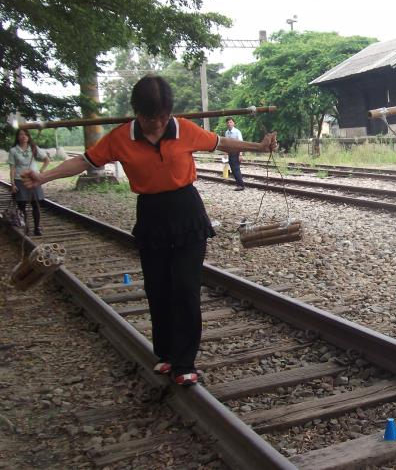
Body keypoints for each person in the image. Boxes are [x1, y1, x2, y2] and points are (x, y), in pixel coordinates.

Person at [21, 75, 278, 385]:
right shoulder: (119, 137)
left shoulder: (184, 128)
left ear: (168, 112)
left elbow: (221, 143)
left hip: (187, 212)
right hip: (151, 214)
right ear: (136, 112)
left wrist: (259, 147)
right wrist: (43, 178)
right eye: (148, 117)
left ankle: (185, 363)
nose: (155, 124)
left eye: (161, 117)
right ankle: (167, 355)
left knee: (184, 286)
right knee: (158, 288)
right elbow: (84, 162)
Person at [8, 128, 50, 236]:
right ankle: (26, 228)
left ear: (28, 136)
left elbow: (47, 159)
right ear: (18, 137)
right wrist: (12, 184)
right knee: (22, 206)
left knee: (36, 204)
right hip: (19, 180)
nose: (23, 136)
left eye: (25, 134)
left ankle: (37, 228)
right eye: (21, 134)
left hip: (33, 179)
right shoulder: (13, 150)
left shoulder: (33, 148)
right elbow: (12, 168)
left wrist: (40, 171)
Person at [224, 117, 245, 190]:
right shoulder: (226, 132)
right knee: (233, 169)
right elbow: (226, 144)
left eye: (230, 122)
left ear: (233, 123)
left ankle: (241, 185)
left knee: (236, 169)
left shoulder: (237, 132)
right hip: (230, 153)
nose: (229, 124)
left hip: (236, 152)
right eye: (228, 122)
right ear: (226, 124)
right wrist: (226, 153)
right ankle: (238, 184)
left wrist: (240, 155)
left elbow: (241, 144)